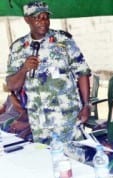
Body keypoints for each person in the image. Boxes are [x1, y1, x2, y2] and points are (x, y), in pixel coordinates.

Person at [6, 1, 91, 144]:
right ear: (27, 19)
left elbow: (83, 72)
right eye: (37, 17)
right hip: (39, 121)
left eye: (45, 17)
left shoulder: (63, 41)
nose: (43, 21)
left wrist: (87, 105)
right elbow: (12, 85)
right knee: (47, 159)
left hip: (67, 116)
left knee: (75, 158)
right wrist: (24, 69)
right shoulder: (18, 48)